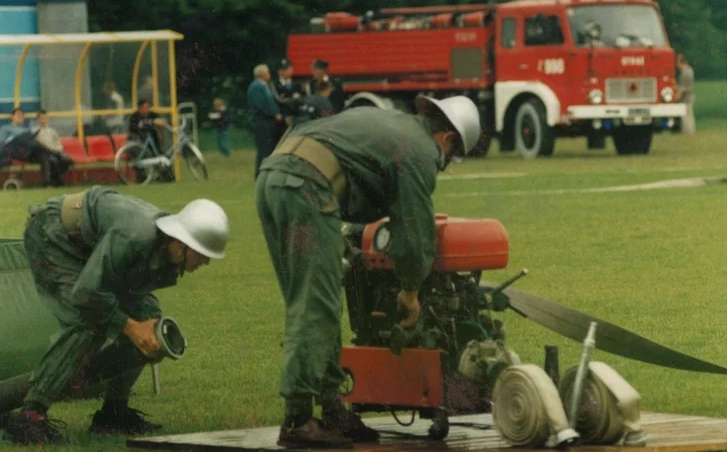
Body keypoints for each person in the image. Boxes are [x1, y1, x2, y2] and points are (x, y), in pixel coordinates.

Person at [255, 95, 481, 449]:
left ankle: (331, 409)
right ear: (448, 139)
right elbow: (415, 228)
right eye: (449, 159)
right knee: (316, 306)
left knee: (315, 303)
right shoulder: (419, 149)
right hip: (306, 186)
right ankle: (298, 419)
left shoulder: (390, 123)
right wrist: (410, 290)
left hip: (275, 177)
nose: (443, 164)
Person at [2, 186, 230, 446]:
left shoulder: (165, 249)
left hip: (88, 245)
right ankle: (30, 416)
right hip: (52, 237)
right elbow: (86, 294)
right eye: (202, 254)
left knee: (150, 317)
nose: (206, 263)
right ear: (181, 242)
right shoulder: (136, 237)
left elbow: (131, 296)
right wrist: (131, 328)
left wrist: (144, 328)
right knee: (88, 321)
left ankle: (113, 413)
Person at [0, 108, 60, 187]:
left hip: (27, 152)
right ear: (12, 117)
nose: (20, 117)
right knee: (26, 139)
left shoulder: (27, 129)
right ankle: (54, 153)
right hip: (14, 150)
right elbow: (2, 142)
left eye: (22, 115)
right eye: (18, 115)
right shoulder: (6, 128)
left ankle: (46, 183)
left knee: (43, 156)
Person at [247, 64, 282, 180]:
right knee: (263, 150)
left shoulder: (265, 86)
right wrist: (274, 114)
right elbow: (261, 105)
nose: (269, 75)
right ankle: (260, 175)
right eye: (267, 72)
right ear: (261, 74)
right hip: (262, 123)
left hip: (268, 123)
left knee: (268, 149)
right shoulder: (256, 87)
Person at [33, 110, 72, 187]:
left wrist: (57, 149)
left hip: (55, 152)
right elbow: (34, 144)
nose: (43, 119)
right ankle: (57, 181)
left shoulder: (52, 131)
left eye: (45, 118)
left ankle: (55, 179)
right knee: (52, 160)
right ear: (38, 119)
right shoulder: (34, 130)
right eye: (41, 118)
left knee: (67, 160)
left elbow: (58, 144)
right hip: (42, 153)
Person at [677, 54, 695, 135]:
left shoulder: (686, 71)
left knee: (687, 114)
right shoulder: (688, 70)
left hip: (687, 96)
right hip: (686, 95)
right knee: (687, 114)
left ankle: (688, 130)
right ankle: (688, 130)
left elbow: (686, 86)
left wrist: (679, 93)